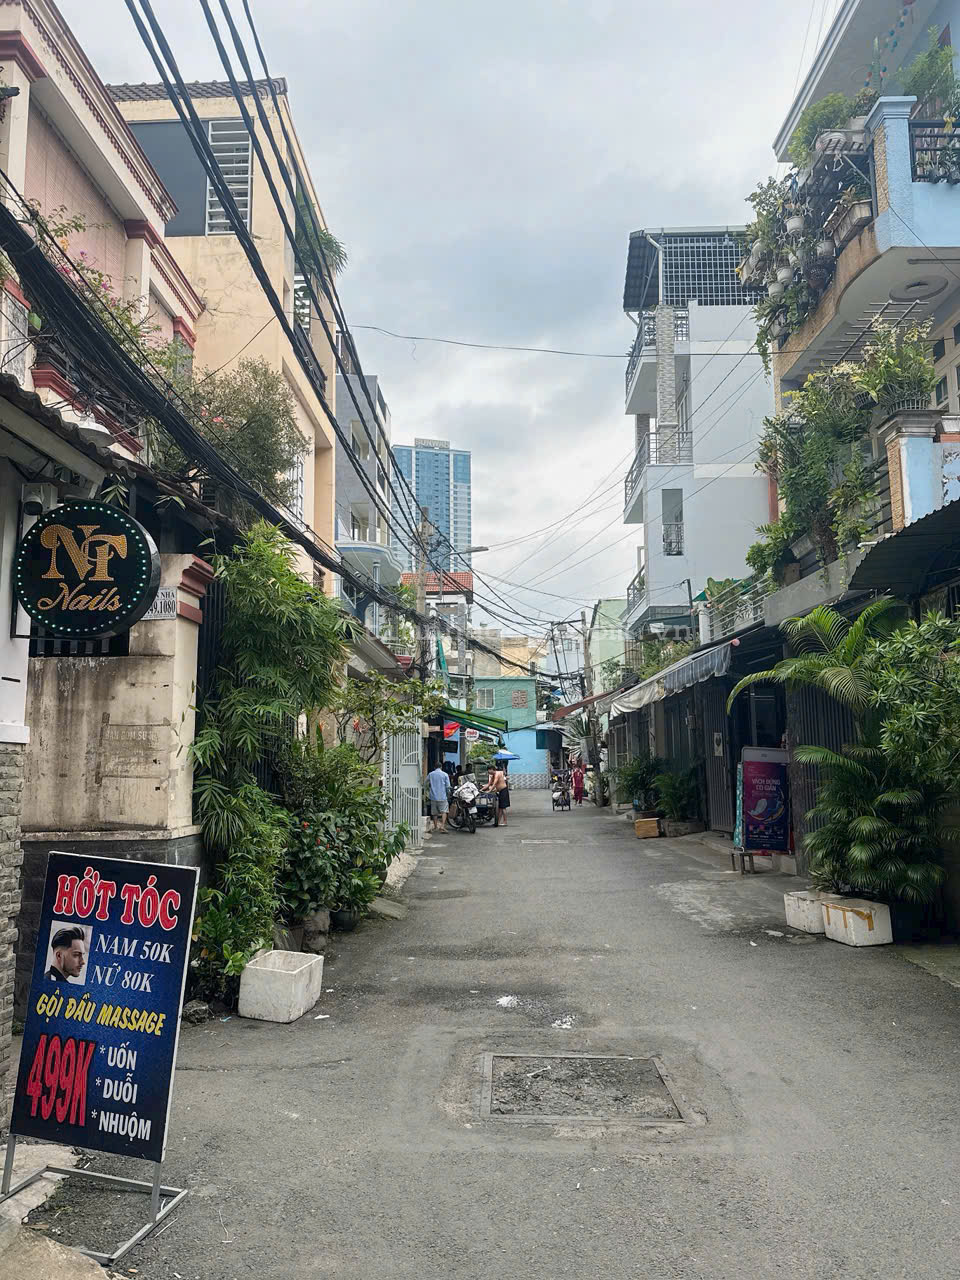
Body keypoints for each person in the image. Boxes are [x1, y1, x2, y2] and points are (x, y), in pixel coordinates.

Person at [427, 762, 452, 832]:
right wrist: (448, 794)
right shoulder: (445, 774)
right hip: (442, 796)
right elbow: (448, 786)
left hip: (433, 797)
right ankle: (442, 826)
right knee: (444, 812)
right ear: (441, 767)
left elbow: (425, 783)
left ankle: (435, 827)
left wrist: (428, 790)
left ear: (434, 767)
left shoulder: (431, 774)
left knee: (434, 813)